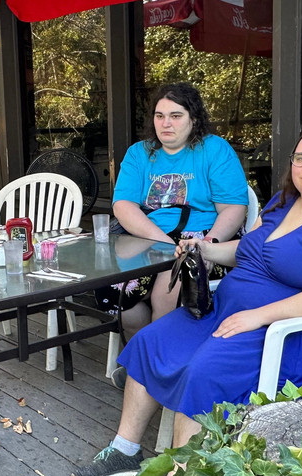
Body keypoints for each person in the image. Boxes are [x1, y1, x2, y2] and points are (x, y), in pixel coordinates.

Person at [73, 129, 302, 476]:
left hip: (285, 334)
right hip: (226, 312)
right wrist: (203, 248)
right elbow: (245, 251)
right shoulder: (282, 202)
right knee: (151, 340)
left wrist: (258, 316)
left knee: (203, 369)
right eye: (301, 157)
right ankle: (125, 450)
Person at [103, 83, 248, 337]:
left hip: (202, 238)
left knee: (167, 292)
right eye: (159, 116)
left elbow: (233, 208)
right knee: (113, 292)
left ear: (194, 119)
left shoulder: (214, 149)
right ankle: (148, 347)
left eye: (176, 116)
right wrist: (162, 243)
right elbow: (123, 206)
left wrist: (209, 246)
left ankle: (159, 353)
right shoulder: (139, 153)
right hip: (149, 236)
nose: (166, 123)